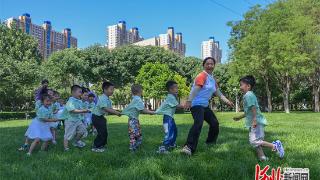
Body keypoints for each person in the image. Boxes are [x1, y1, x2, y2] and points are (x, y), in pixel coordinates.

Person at [181, 57, 234, 156]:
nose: (210, 66)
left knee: (214, 123)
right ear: (204, 65)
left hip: (204, 106)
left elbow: (218, 93)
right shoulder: (202, 76)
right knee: (198, 123)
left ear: (214, 65)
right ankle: (188, 147)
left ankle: (210, 143)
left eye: (211, 64)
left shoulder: (212, 79)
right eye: (207, 64)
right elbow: (195, 90)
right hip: (196, 105)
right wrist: (189, 101)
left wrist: (227, 101)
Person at [233, 75, 284, 161]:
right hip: (254, 121)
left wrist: (255, 120)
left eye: (241, 85)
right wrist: (239, 118)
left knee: (254, 141)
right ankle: (262, 157)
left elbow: (253, 108)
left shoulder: (248, 95)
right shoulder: (249, 95)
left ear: (248, 86)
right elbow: (247, 112)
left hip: (256, 122)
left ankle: (275, 146)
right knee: (257, 141)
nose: (240, 87)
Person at [121, 84, 155, 152]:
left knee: (137, 134)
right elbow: (142, 110)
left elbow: (141, 108)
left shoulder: (135, 98)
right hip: (133, 121)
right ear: (140, 91)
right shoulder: (137, 99)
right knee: (134, 135)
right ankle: (133, 149)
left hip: (134, 120)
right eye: (142, 90)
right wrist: (151, 112)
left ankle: (137, 146)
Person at [91, 82, 121, 153]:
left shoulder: (108, 99)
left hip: (101, 117)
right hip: (96, 117)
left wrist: (117, 111)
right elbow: (105, 108)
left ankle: (102, 145)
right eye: (111, 89)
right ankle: (96, 146)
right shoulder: (102, 98)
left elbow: (110, 109)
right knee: (101, 132)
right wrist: (116, 113)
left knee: (104, 132)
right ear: (105, 89)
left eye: (113, 89)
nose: (112, 91)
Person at [155, 80, 184, 154]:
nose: (177, 89)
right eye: (176, 88)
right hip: (167, 119)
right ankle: (163, 148)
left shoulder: (172, 97)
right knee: (169, 132)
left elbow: (176, 105)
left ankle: (171, 144)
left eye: (177, 88)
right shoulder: (170, 97)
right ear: (170, 89)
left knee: (174, 131)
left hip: (170, 118)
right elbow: (178, 106)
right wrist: (187, 105)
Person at [63, 85, 90, 151]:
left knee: (82, 130)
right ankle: (66, 148)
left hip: (78, 120)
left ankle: (76, 141)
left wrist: (86, 111)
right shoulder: (70, 101)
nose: (80, 94)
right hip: (70, 120)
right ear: (73, 92)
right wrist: (84, 110)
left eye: (81, 92)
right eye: (79, 92)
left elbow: (80, 110)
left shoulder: (79, 101)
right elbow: (72, 110)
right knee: (68, 135)